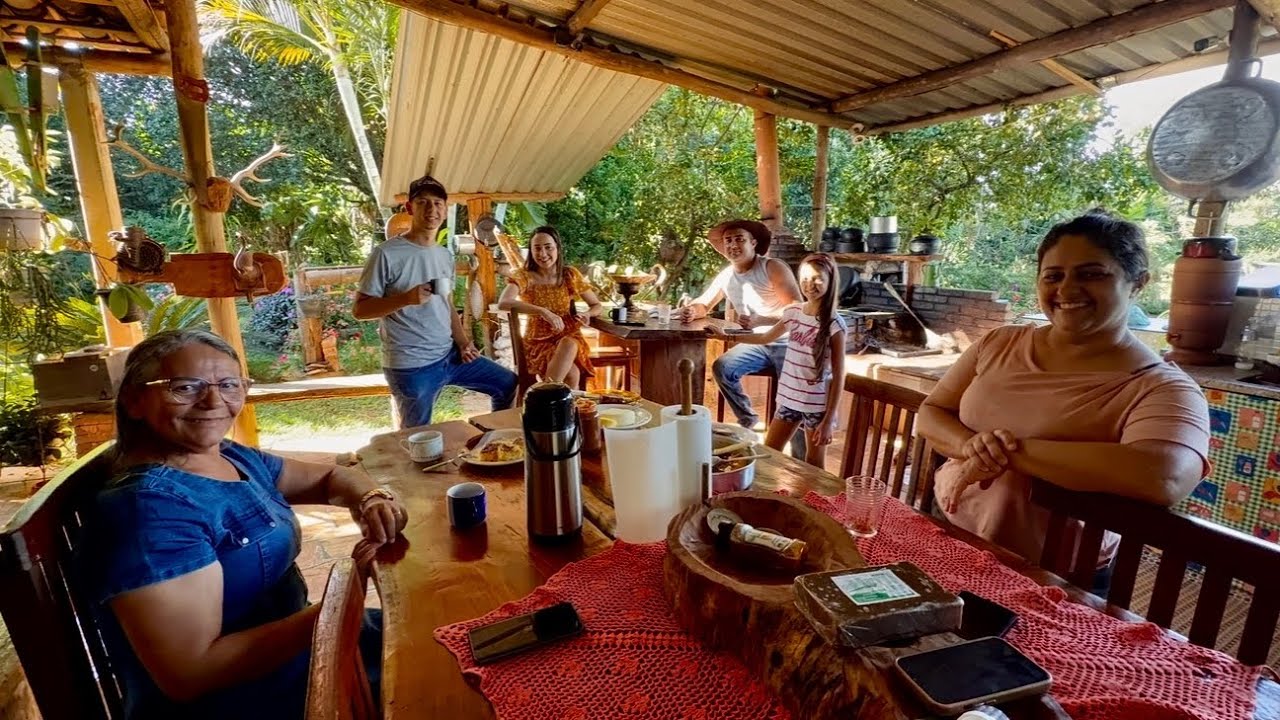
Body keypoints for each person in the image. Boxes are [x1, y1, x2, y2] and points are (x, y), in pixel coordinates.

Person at [81, 330, 409, 719]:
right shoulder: (149, 510)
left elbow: (330, 478)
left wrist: (370, 498)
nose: (213, 401)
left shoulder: (229, 457)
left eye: (229, 385)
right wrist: (342, 600)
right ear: (135, 401)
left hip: (310, 652)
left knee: (452, 633)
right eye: (185, 387)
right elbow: (191, 673)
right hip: (255, 699)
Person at [916, 212, 1210, 585]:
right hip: (952, 527)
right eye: (1053, 276)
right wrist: (972, 445)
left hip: (1056, 574)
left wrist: (1005, 452)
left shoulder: (1162, 387)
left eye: (1091, 274)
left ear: (1137, 284)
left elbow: (1163, 476)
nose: (1067, 290)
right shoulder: (999, 343)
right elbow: (931, 412)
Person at [353, 175, 516, 427]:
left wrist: (463, 343)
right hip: (412, 365)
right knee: (416, 435)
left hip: (450, 356)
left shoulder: (443, 255)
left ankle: (493, 440)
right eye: (423, 202)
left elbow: (446, 303)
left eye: (438, 203)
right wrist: (405, 299)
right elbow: (360, 309)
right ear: (409, 208)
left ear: (446, 208)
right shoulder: (386, 254)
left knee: (507, 384)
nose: (432, 210)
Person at [709, 253, 846, 467]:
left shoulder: (835, 325)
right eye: (805, 278)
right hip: (788, 398)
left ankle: (813, 501)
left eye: (818, 278)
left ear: (831, 280)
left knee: (813, 463)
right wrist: (725, 335)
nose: (810, 284)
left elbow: (838, 376)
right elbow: (765, 337)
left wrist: (828, 420)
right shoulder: (793, 312)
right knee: (769, 453)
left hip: (815, 405)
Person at [677, 220, 803, 442]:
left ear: (753, 243)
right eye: (728, 240)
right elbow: (704, 304)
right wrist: (691, 311)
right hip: (756, 342)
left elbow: (796, 308)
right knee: (723, 367)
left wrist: (762, 318)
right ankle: (748, 421)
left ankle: (800, 460)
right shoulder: (727, 275)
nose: (733, 245)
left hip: (789, 342)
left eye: (739, 239)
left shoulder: (772, 267)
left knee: (792, 401)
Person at [497, 226, 604, 388]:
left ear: (558, 249)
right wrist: (543, 311)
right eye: (537, 248)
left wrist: (588, 314)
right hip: (538, 343)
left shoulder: (569, 275)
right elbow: (504, 302)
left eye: (548, 247)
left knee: (569, 343)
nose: (543, 254)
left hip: (569, 336)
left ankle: (544, 398)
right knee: (572, 374)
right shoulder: (525, 276)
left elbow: (596, 305)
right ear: (531, 251)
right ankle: (555, 404)